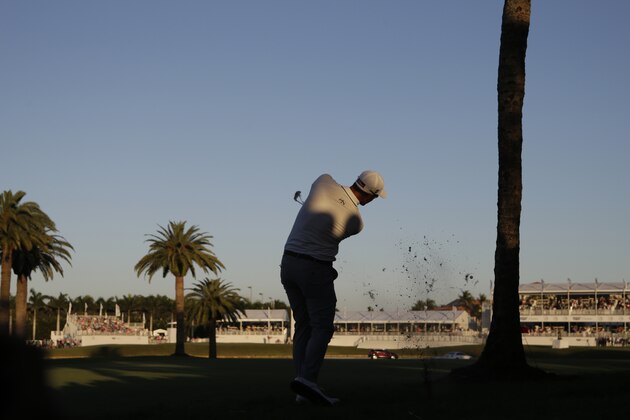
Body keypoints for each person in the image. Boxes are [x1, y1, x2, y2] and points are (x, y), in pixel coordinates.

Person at [281, 170, 386, 406]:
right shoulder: (357, 222)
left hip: (288, 264)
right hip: (315, 268)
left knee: (304, 325)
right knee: (322, 327)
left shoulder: (323, 181)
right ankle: (307, 380)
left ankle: (302, 387)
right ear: (369, 196)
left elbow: (329, 182)